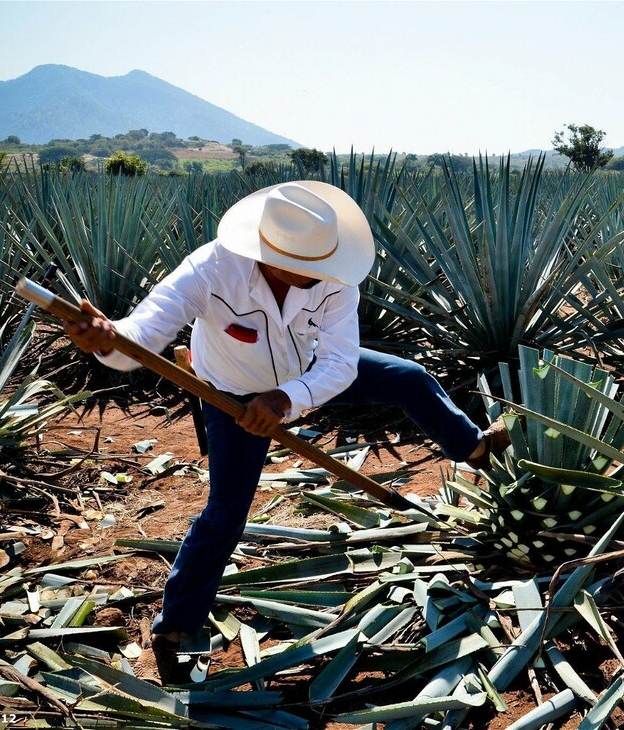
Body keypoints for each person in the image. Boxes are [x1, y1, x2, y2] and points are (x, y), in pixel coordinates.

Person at [64, 181, 508, 683]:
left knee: (408, 378)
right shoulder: (211, 269)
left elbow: (339, 362)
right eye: (298, 267)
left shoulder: (333, 275)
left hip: (306, 377)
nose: (311, 277)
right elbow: (139, 339)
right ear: (263, 249)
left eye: (317, 267)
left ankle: (472, 446)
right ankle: (178, 626)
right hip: (230, 395)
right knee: (226, 512)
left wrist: (285, 399)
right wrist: (105, 340)